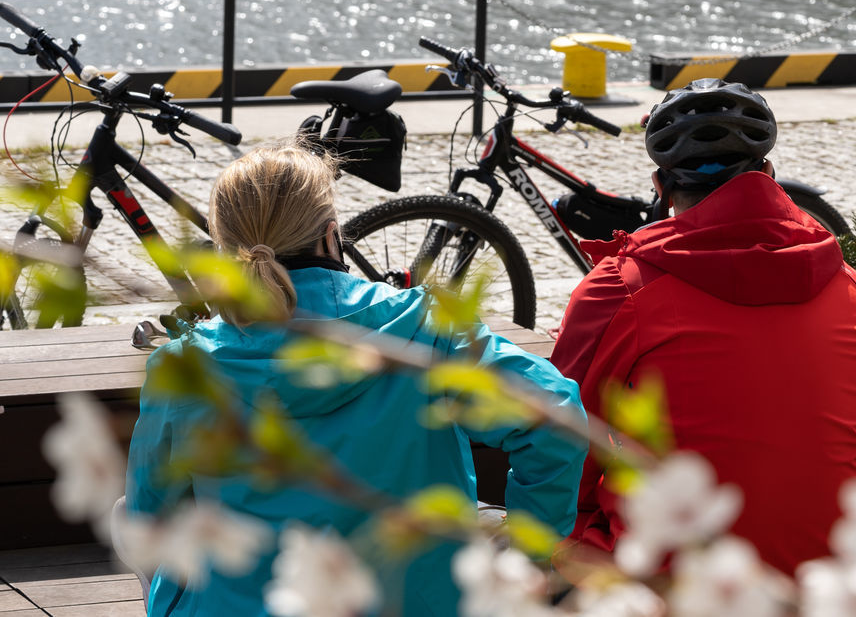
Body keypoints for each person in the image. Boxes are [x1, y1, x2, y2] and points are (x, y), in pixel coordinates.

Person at [126, 144, 587, 617]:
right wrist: (527, 558)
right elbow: (555, 417)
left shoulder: (184, 366)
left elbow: (150, 517)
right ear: (332, 237)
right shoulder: (427, 328)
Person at [549, 79, 856, 575]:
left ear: (660, 187)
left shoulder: (621, 288)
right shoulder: (847, 284)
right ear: (768, 174)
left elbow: (562, 446)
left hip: (674, 585)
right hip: (828, 576)